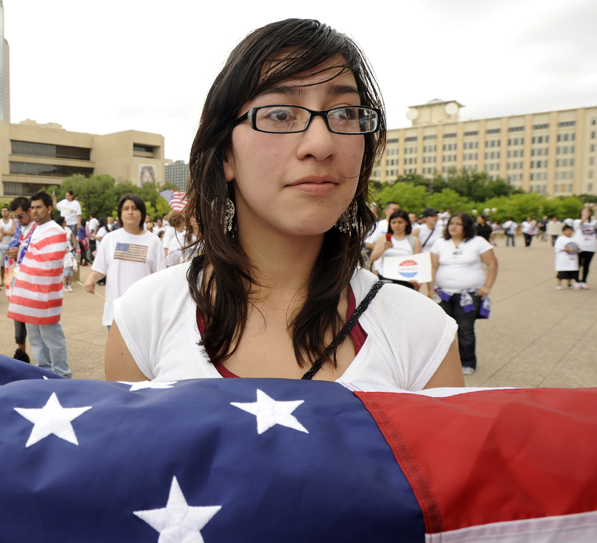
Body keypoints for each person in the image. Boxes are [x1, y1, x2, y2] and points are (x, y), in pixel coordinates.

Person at [103, 19, 463, 388]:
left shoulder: (421, 332)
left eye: (344, 113)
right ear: (226, 154)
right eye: (280, 114)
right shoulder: (146, 315)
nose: (321, 144)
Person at [8, 192, 71, 377]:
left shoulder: (56, 231)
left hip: (45, 293)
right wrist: (18, 253)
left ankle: (62, 373)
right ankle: (43, 370)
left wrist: (27, 257)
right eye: (32, 207)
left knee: (52, 336)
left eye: (39, 207)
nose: (34, 211)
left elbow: (51, 261)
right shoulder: (34, 229)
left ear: (49, 208)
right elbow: (30, 255)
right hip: (28, 290)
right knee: (35, 337)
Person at [429, 213, 498, 375]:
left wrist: (487, 286)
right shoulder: (440, 243)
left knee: (465, 329)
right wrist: (431, 288)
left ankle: (467, 362)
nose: (453, 226)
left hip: (469, 295)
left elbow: (492, 263)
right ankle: (442, 364)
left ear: (466, 226)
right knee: (443, 330)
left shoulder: (478, 242)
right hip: (443, 294)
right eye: (451, 223)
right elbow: (433, 267)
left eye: (458, 224)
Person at [85, 194, 165, 329]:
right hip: (116, 314)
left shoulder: (154, 242)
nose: (130, 212)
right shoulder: (110, 239)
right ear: (120, 213)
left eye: (135, 208)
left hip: (144, 316)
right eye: (126, 208)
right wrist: (91, 277)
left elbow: (161, 278)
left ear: (142, 213)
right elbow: (100, 271)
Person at [3, 197, 33, 363]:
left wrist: (19, 250)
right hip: (17, 277)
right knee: (18, 319)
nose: (18, 220)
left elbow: (35, 250)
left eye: (20, 216)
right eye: (16, 218)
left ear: (29, 211)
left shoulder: (37, 228)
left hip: (32, 280)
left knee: (34, 325)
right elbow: (14, 243)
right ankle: (21, 355)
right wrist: (11, 250)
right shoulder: (20, 228)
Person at [369, 209, 422, 290]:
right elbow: (373, 258)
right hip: (386, 277)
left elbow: (417, 263)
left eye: (400, 222)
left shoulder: (414, 240)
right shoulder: (384, 238)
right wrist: (384, 248)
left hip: (406, 279)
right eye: (393, 222)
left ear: (406, 223)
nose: (397, 225)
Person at [572, 206, 597, 289]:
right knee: (578, 264)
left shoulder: (593, 223)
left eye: (588, 212)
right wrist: (585, 209)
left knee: (586, 265)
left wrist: (596, 210)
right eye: (584, 212)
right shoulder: (577, 221)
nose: (587, 213)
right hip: (580, 247)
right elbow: (582, 221)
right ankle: (577, 281)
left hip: (590, 247)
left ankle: (584, 281)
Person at [53, 191, 82, 260]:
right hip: (62, 224)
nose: (67, 197)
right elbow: (55, 207)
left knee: (71, 240)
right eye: (66, 195)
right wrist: (54, 198)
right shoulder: (63, 202)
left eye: (68, 195)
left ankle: (72, 256)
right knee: (63, 239)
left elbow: (79, 215)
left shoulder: (76, 203)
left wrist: (79, 224)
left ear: (72, 196)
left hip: (72, 224)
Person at [554, 225, 581, 290]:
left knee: (571, 271)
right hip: (564, 258)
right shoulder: (561, 239)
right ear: (563, 231)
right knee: (562, 271)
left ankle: (569, 284)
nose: (569, 232)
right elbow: (558, 248)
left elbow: (579, 247)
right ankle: (559, 284)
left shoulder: (574, 238)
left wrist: (576, 249)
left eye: (570, 230)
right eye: (567, 230)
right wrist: (568, 249)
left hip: (572, 258)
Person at [0, 207, 15, 287]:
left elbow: (14, 232)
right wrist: (3, 233)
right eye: (2, 211)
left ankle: (10, 280)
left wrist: (4, 232)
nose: (4, 212)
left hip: (10, 246)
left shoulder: (12, 222)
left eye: (5, 211)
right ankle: (2, 280)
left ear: (9, 212)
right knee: (1, 265)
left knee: (11, 265)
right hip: (1, 246)